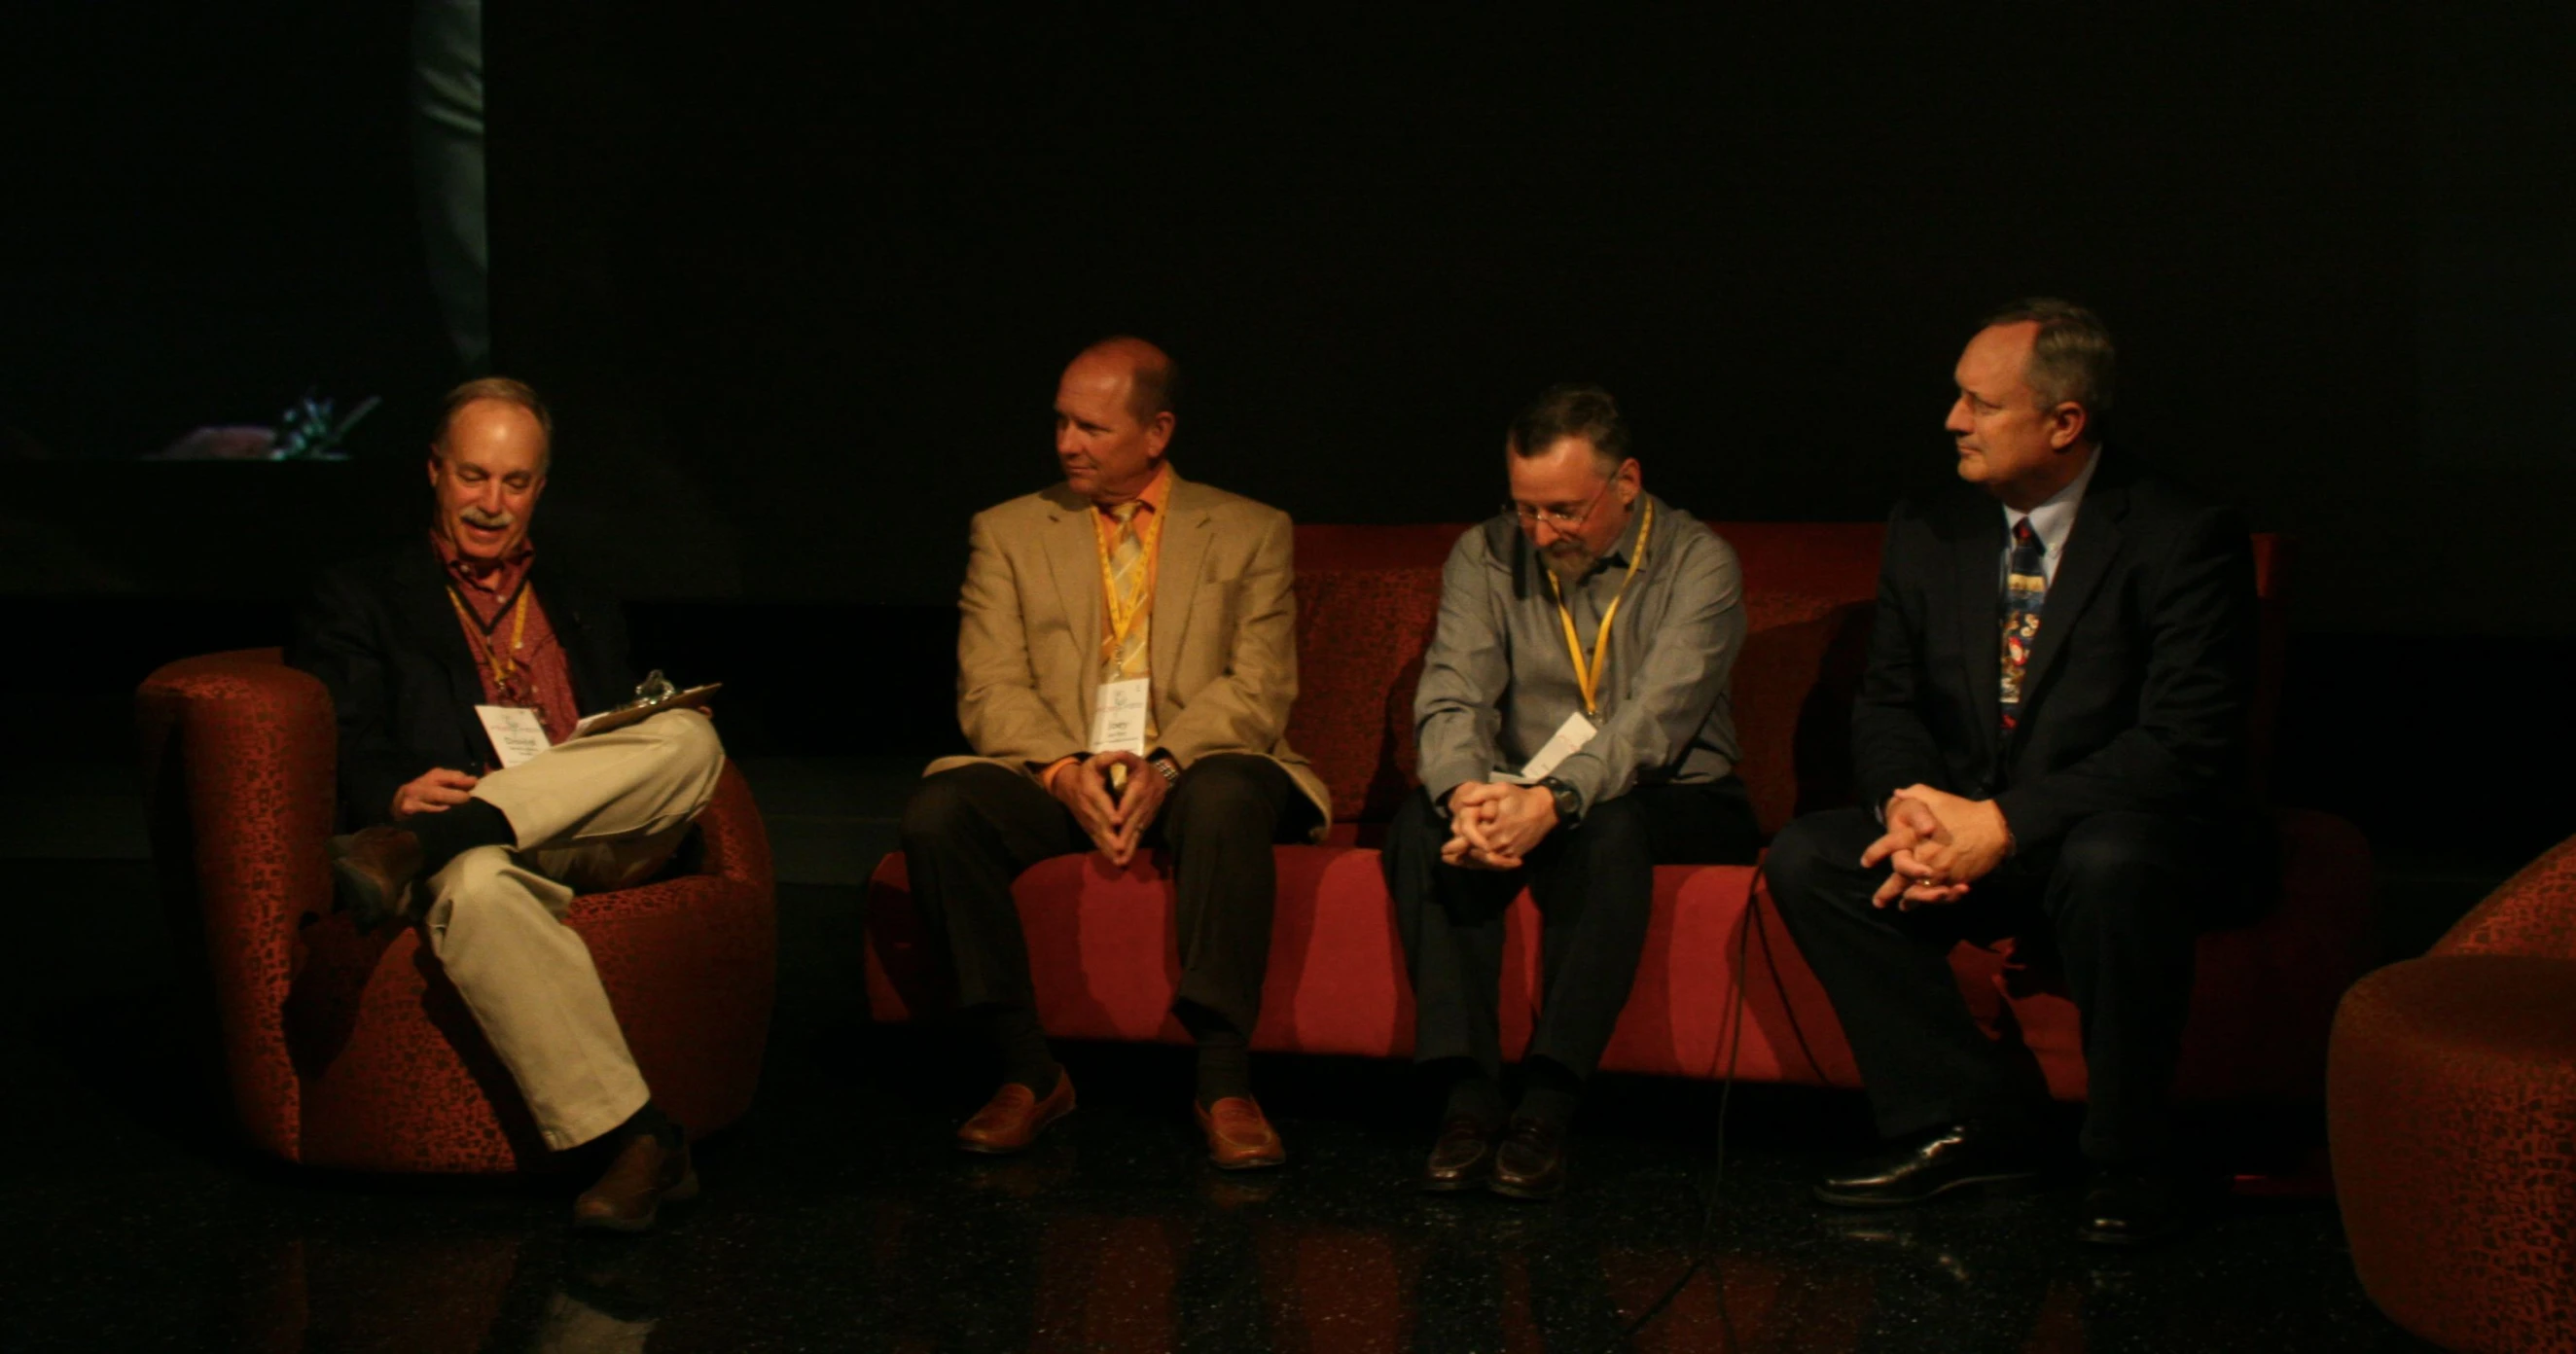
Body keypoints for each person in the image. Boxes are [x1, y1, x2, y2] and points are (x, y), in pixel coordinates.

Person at [1764, 300, 2261, 1246]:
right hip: (1971, 826)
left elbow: (2182, 743)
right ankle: (1967, 1124)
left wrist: (2005, 823)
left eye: (1978, 404)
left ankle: (2125, 1156)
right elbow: (1888, 700)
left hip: (2111, 828)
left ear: (2063, 421)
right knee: (1808, 858)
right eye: (1957, 399)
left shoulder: (2179, 532)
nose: (1952, 422)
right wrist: (1910, 808)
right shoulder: (1930, 524)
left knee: (2110, 860)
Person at [292, 376, 725, 1231]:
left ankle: (436, 843)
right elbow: (340, 732)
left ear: (540, 489)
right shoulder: (363, 594)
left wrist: (650, 724)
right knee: (478, 886)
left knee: (690, 742)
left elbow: (615, 733)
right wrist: (393, 793)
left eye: (515, 482)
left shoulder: (582, 598)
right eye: (473, 477)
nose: (492, 504)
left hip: (589, 829)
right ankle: (638, 1137)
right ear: (434, 472)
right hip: (470, 841)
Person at [896, 337, 1329, 1168]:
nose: (1066, 444)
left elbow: (1260, 688)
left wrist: (1164, 766)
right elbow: (988, 689)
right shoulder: (1009, 531)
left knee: (1230, 790)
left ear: (1157, 431)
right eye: (1060, 422)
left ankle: (1223, 1080)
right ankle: (1028, 1070)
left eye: (1091, 427)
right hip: (1069, 767)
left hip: (1197, 766)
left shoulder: (1248, 531)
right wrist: (1064, 772)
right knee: (940, 813)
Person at [1388, 383, 1760, 1199]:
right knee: (1418, 823)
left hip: (1672, 793)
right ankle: (1467, 1096)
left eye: (1562, 510)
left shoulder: (1700, 562)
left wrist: (1552, 802)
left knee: (1609, 826)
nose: (1540, 532)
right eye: (1525, 509)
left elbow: (1652, 721)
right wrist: (1464, 798)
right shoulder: (1486, 552)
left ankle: (1550, 1100)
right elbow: (1453, 693)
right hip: (1518, 786)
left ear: (1625, 482)